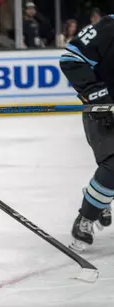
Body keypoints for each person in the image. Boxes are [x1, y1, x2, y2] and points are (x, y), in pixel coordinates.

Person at [60, 15, 114, 251]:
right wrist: (98, 95)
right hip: (104, 111)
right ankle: (86, 217)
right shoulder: (109, 27)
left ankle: (101, 196)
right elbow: (72, 59)